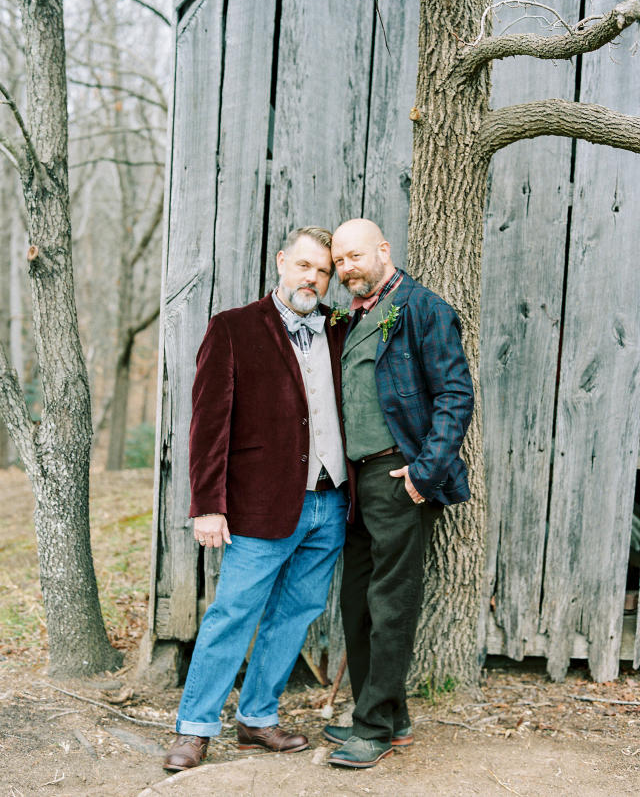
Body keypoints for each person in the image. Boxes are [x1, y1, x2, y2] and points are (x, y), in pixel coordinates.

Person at [163, 227, 354, 772]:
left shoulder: (340, 330)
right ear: (281, 262)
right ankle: (195, 727)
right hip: (261, 505)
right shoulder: (233, 328)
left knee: (295, 615)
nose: (312, 278)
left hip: (331, 503)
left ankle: (257, 719)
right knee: (232, 614)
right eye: (303, 266)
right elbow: (208, 425)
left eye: (322, 271)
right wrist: (207, 504)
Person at [323, 218, 474, 769]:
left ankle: (373, 729)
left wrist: (422, 472)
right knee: (357, 602)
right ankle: (389, 716)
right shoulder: (349, 319)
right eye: (339, 262)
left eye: (356, 256)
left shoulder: (420, 307)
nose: (347, 269)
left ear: (384, 251)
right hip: (355, 483)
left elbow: (456, 394)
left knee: (389, 605)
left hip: (396, 478)